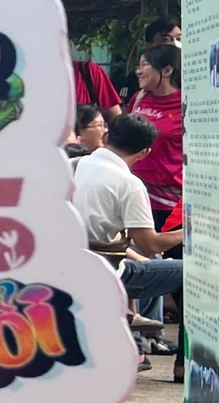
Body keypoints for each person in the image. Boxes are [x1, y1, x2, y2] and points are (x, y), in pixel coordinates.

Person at [72, 113, 182, 337]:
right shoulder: (129, 184)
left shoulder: (72, 165)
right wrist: (191, 230)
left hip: (68, 260)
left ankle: (140, 341)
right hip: (105, 271)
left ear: (107, 135)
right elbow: (150, 244)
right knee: (194, 272)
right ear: (144, 152)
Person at [126, 42, 183, 227]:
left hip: (171, 204)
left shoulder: (187, 104)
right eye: (138, 65)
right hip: (137, 195)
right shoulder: (139, 98)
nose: (138, 71)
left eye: (144, 65)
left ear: (167, 70)